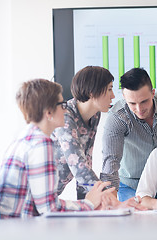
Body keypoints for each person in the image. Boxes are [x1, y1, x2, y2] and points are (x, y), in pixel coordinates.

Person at [0, 79, 114, 218]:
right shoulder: (41, 143)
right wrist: (88, 203)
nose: (66, 109)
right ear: (49, 112)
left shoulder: (26, 136)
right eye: (62, 105)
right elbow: (49, 208)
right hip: (17, 228)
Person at [100, 68, 157, 201]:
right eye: (132, 103)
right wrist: (110, 202)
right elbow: (111, 161)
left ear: (153, 93)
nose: (139, 109)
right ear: (124, 97)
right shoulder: (117, 117)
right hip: (130, 184)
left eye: (144, 101)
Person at [52, 66, 115, 200]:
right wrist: (107, 197)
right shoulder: (65, 116)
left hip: (50, 196)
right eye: (109, 89)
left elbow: (86, 161)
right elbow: (78, 166)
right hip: (29, 195)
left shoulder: (94, 115)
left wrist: (88, 205)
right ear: (92, 92)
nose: (113, 95)